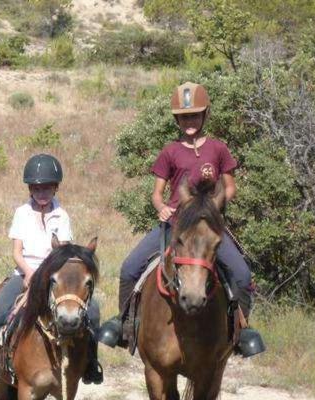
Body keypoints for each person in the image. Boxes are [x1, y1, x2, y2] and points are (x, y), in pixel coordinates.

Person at [97, 82, 264, 357]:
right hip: (175, 225)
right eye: (184, 116)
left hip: (209, 226)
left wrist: (215, 203)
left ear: (205, 115)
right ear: (177, 119)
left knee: (242, 275)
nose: (190, 121)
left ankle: (240, 331)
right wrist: (161, 207)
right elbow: (156, 193)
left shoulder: (218, 148)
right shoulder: (170, 151)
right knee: (129, 268)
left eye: (195, 115)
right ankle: (125, 325)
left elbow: (230, 186)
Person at [0, 153, 104, 385]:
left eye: (46, 188)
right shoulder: (21, 213)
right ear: (30, 189)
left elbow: (62, 254)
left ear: (55, 188)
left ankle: (91, 363)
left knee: (92, 311)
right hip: (25, 272)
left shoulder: (62, 215)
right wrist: (29, 273)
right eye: (36, 189)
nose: (41, 193)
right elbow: (16, 252)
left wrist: (48, 276)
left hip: (54, 275)